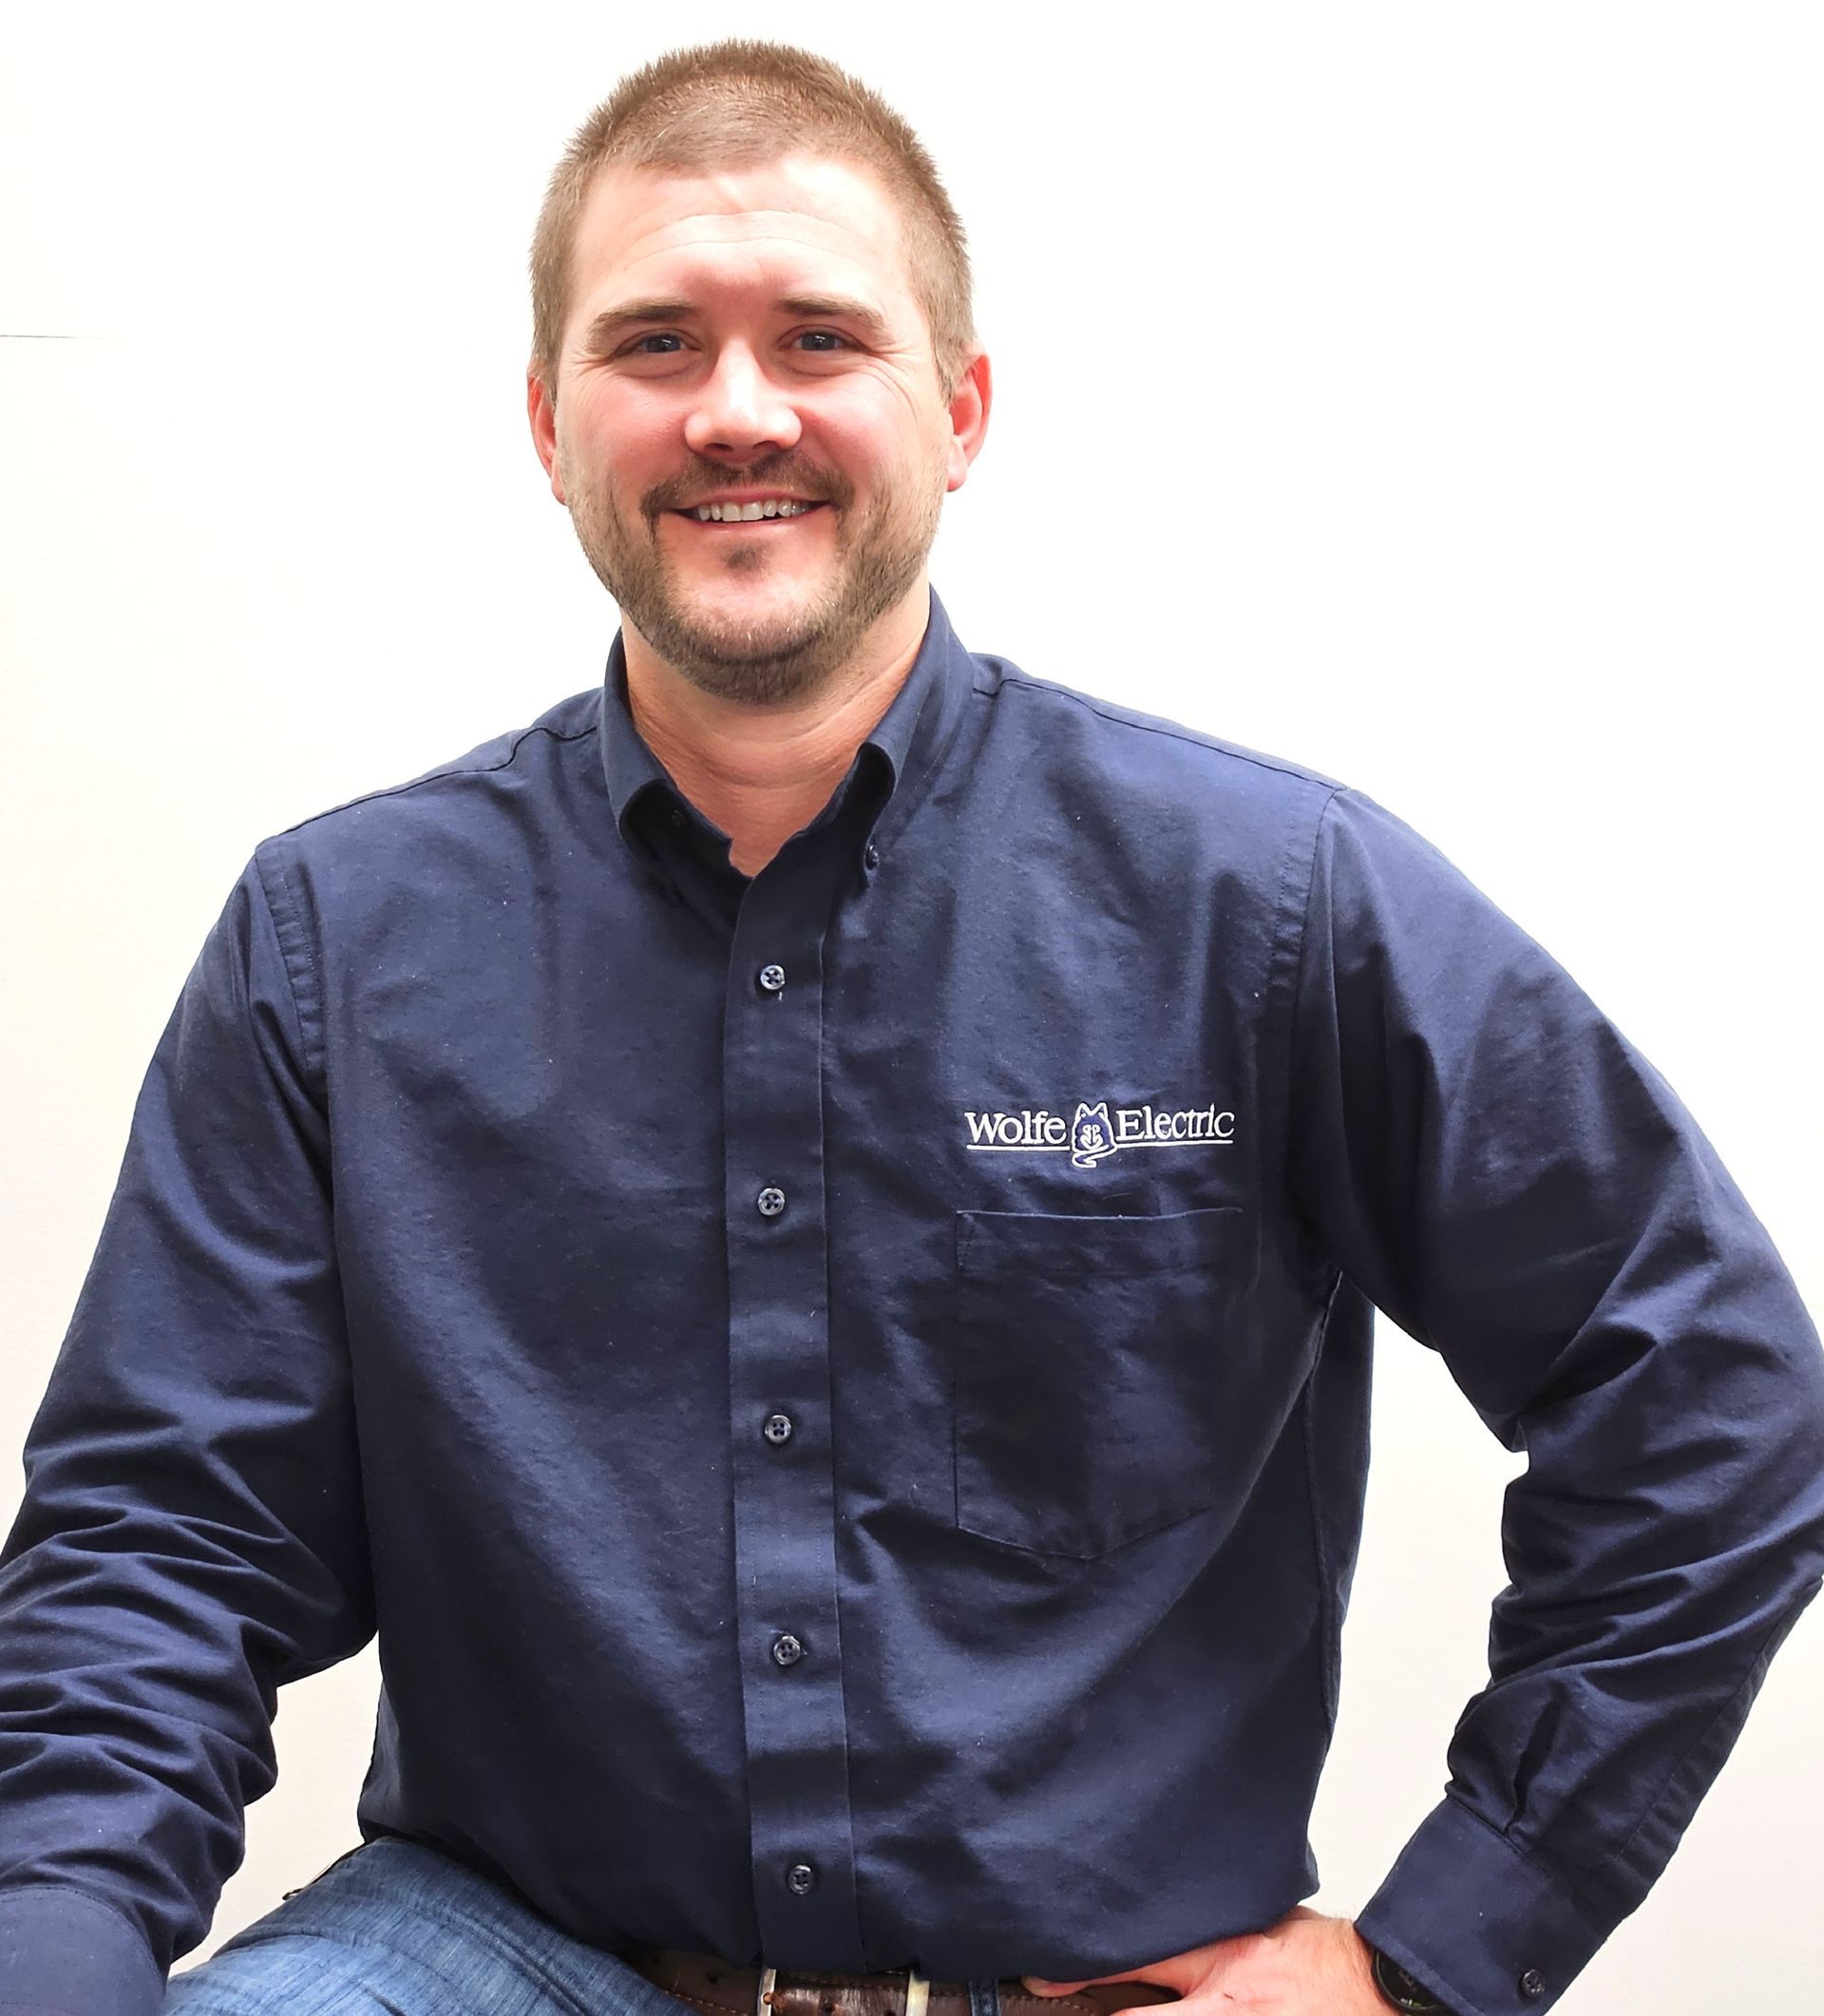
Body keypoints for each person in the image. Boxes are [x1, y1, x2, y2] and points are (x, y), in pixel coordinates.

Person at [1, 35, 1819, 2016]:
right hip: (505, 1949)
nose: (738, 409)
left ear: (959, 409)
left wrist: (1428, 1958)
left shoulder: (1270, 899)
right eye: (656, 345)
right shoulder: (332, 940)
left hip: (1097, 1980)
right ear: (546, 420)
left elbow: (1713, 1395)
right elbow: (159, 1552)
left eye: (817, 336)